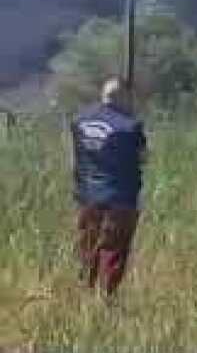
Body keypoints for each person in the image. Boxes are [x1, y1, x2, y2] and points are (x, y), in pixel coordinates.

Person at [72, 77, 146, 298]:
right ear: (123, 96)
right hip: (121, 200)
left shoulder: (79, 122)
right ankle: (106, 302)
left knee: (88, 249)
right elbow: (143, 157)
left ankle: (85, 298)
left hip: (87, 197)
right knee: (113, 253)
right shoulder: (130, 126)